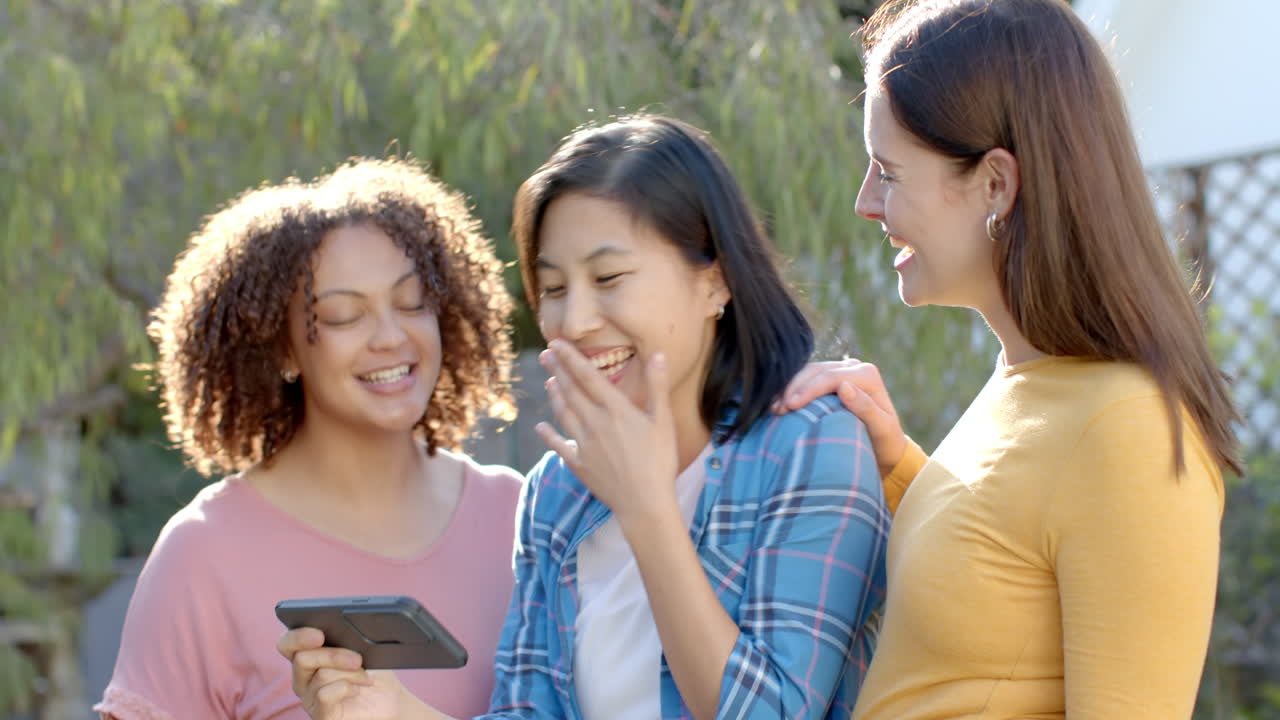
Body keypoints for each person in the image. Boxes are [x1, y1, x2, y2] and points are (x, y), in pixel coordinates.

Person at [281, 114, 891, 720]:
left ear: (716, 282)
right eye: (553, 289)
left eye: (608, 277)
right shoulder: (558, 492)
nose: (573, 322)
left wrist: (646, 510)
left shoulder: (814, 448)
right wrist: (391, 712)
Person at [778, 1, 1242, 718]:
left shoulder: (1127, 429)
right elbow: (999, 584)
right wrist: (897, 465)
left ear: (996, 184)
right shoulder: (1030, 384)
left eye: (889, 172)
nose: (866, 203)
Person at [95, 158, 524, 720]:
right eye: (345, 316)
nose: (391, 337)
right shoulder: (204, 555)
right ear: (284, 350)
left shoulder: (518, 516)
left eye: (412, 302)